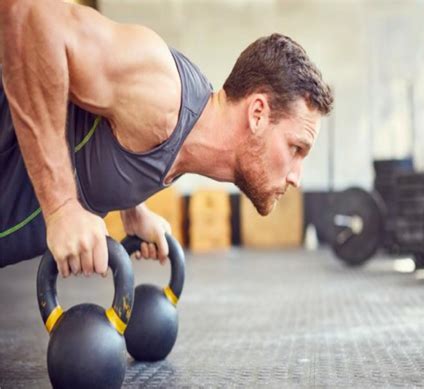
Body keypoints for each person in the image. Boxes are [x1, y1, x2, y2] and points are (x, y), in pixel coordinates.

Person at [0, 0, 333, 277]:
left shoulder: (186, 137)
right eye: (296, 148)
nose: (296, 177)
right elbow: (28, 14)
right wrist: (61, 206)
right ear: (257, 113)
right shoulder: (160, 89)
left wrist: (132, 207)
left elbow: (115, 131)